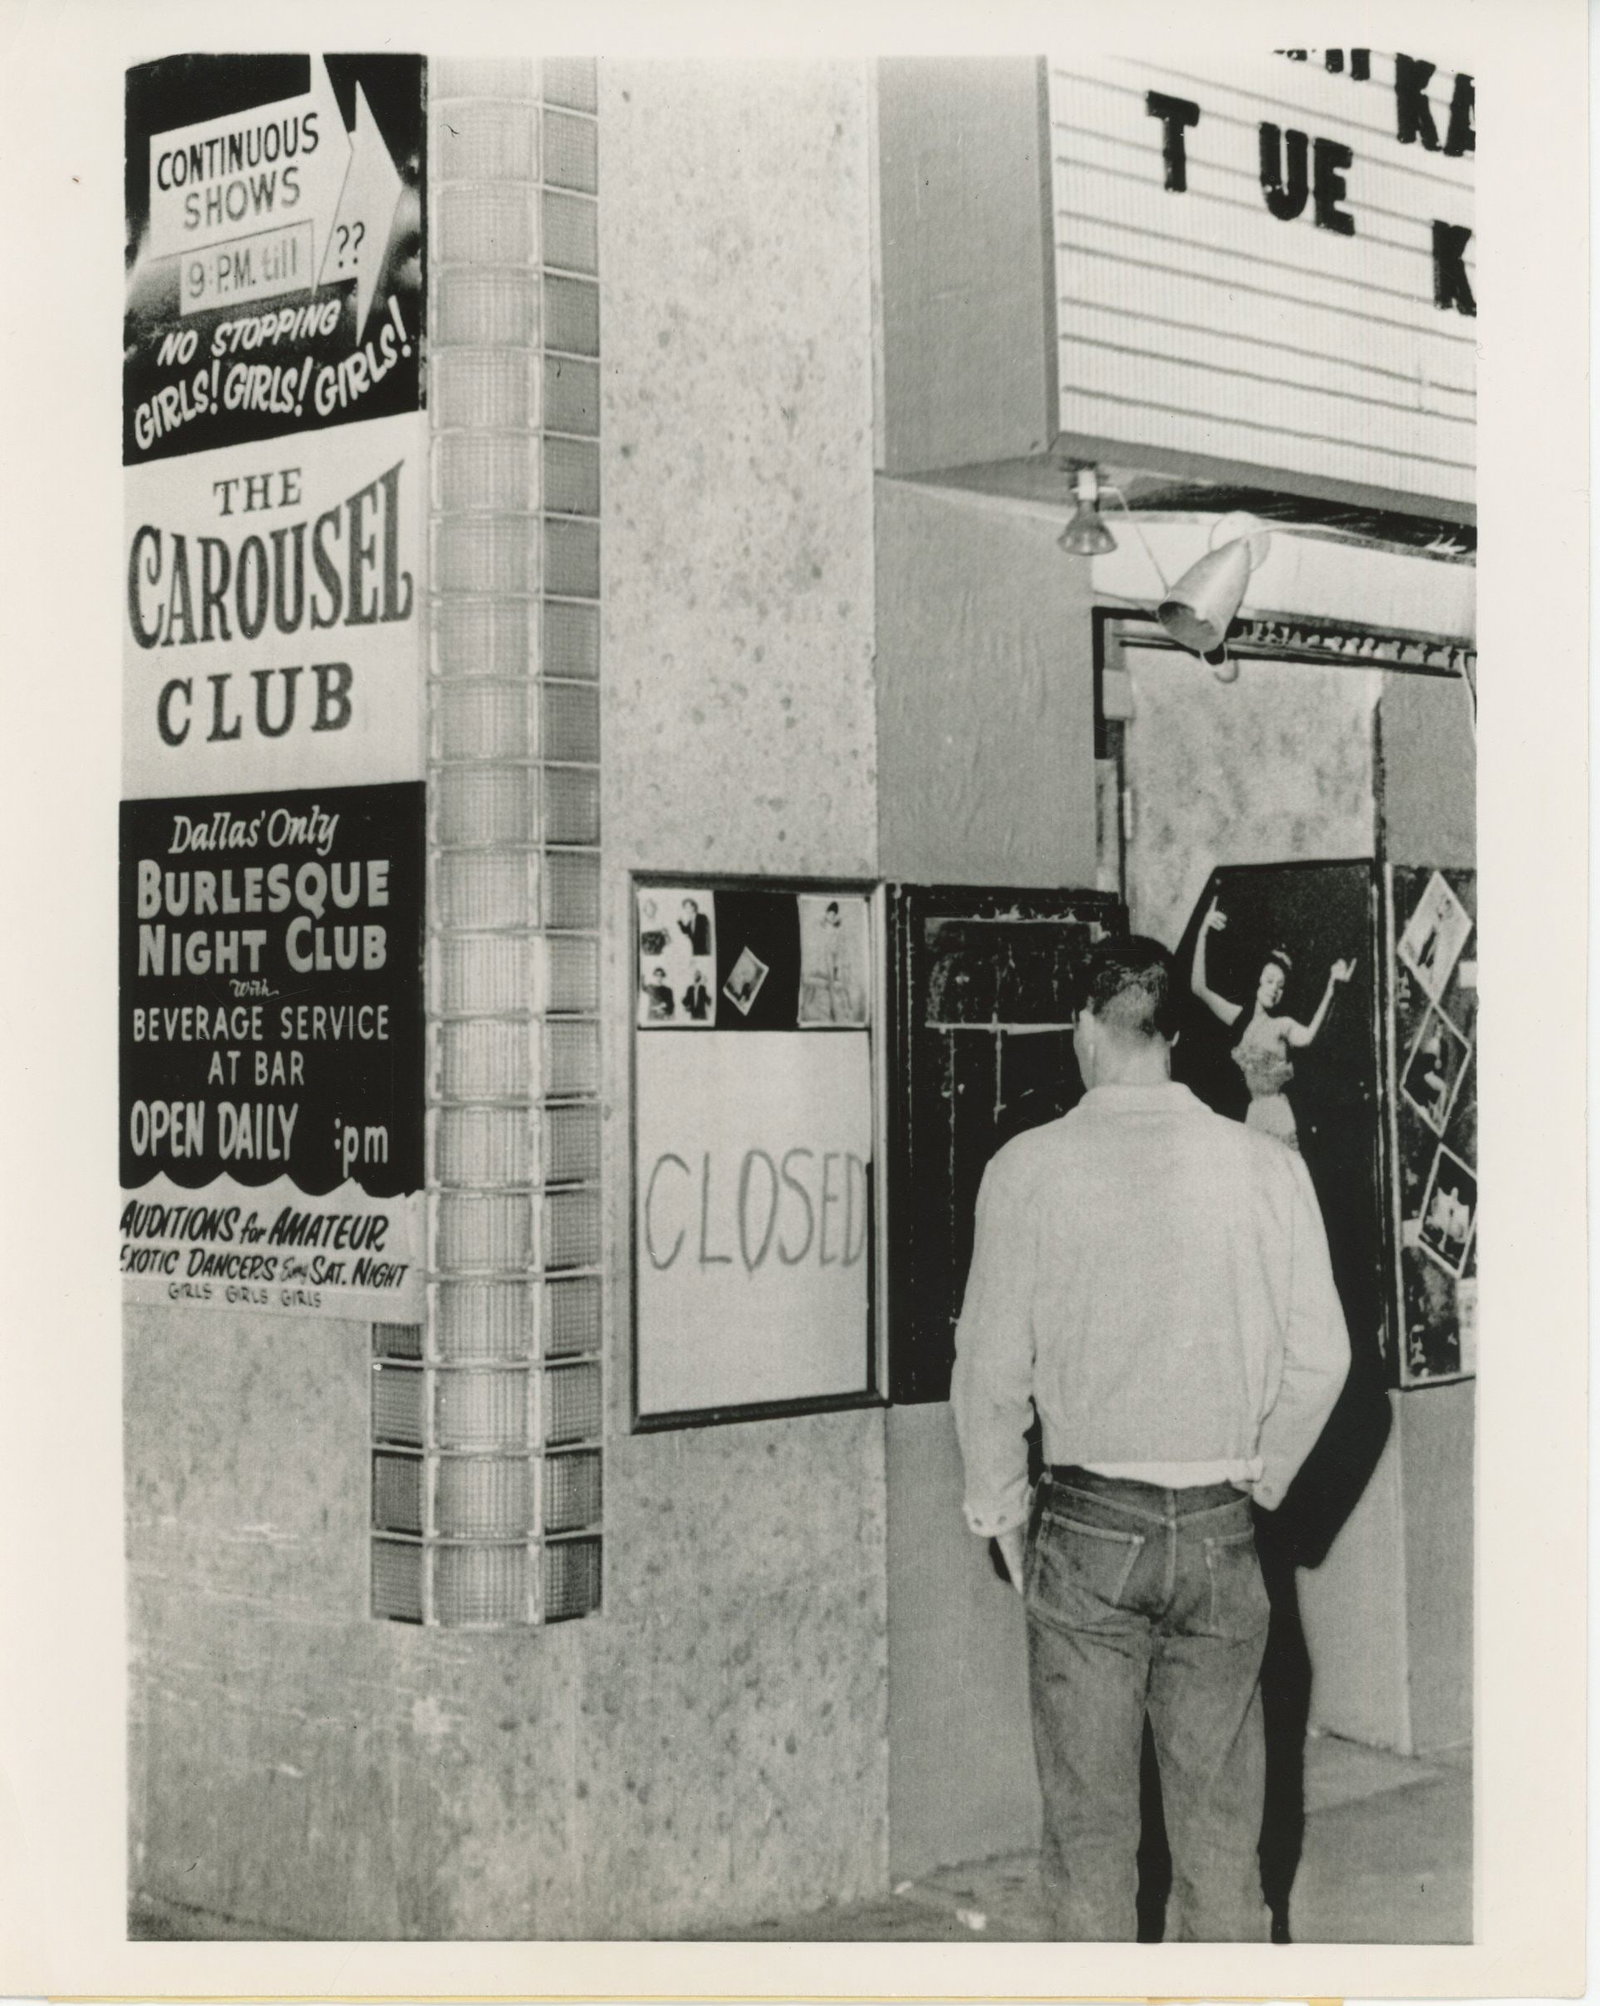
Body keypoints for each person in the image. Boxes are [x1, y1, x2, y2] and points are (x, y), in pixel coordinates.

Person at [950, 936, 1349, 1942]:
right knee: (1223, 1842)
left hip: (1086, 1526)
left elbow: (990, 1369)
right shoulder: (1265, 1168)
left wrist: (1002, 1512)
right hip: (1221, 1521)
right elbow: (1323, 1358)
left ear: (1085, 1030)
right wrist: (1259, 1480)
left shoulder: (1027, 1169)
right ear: (1177, 1033)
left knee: (1089, 1844)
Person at [1189, 898, 1355, 1150]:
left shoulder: (1282, 1025)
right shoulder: (1240, 1018)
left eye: (1280, 987)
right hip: (1253, 1114)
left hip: (1278, 1116)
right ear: (1258, 981)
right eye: (1269, 981)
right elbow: (1199, 988)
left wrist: (1332, 990)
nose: (1274, 990)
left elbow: (1308, 1036)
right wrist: (1203, 931)